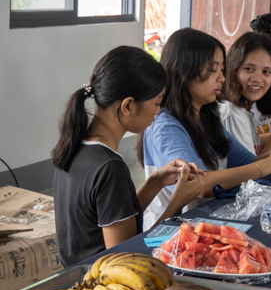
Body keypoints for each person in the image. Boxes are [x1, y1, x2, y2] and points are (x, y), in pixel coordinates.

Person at [141, 28, 271, 228]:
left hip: (206, 222)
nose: (221, 78)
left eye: (222, 70)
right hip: (170, 233)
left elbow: (249, 165)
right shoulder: (166, 126)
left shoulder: (207, 118)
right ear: (184, 71)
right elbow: (198, 185)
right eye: (212, 71)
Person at [52, 46, 203, 267]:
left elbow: (111, 217)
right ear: (128, 106)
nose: (157, 111)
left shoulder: (72, 146)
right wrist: (176, 203)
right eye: (156, 103)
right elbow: (128, 257)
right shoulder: (109, 167)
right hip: (103, 288)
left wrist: (156, 182)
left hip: (75, 280)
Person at [220, 31, 271, 155]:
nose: (257, 79)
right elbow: (253, 170)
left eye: (266, 72)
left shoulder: (246, 108)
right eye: (249, 69)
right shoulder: (232, 113)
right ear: (233, 67)